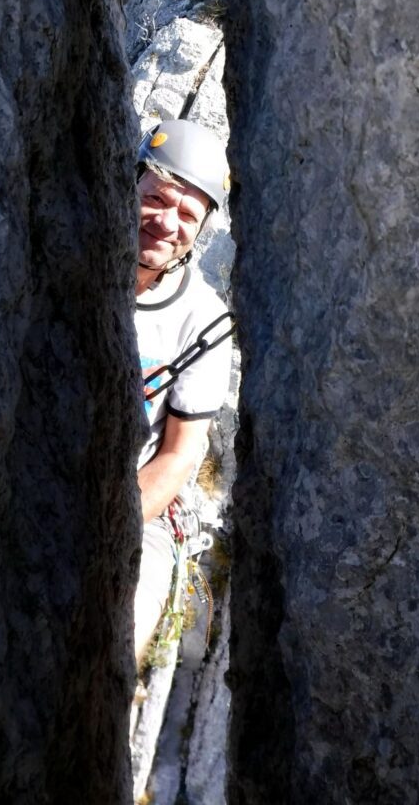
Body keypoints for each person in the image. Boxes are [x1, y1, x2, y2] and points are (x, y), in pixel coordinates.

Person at [133, 119, 233, 663]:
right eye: (157, 199)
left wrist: (113, 524)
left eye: (188, 215)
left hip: (137, 508)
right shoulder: (69, 260)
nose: (166, 223)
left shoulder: (202, 320)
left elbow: (177, 453)